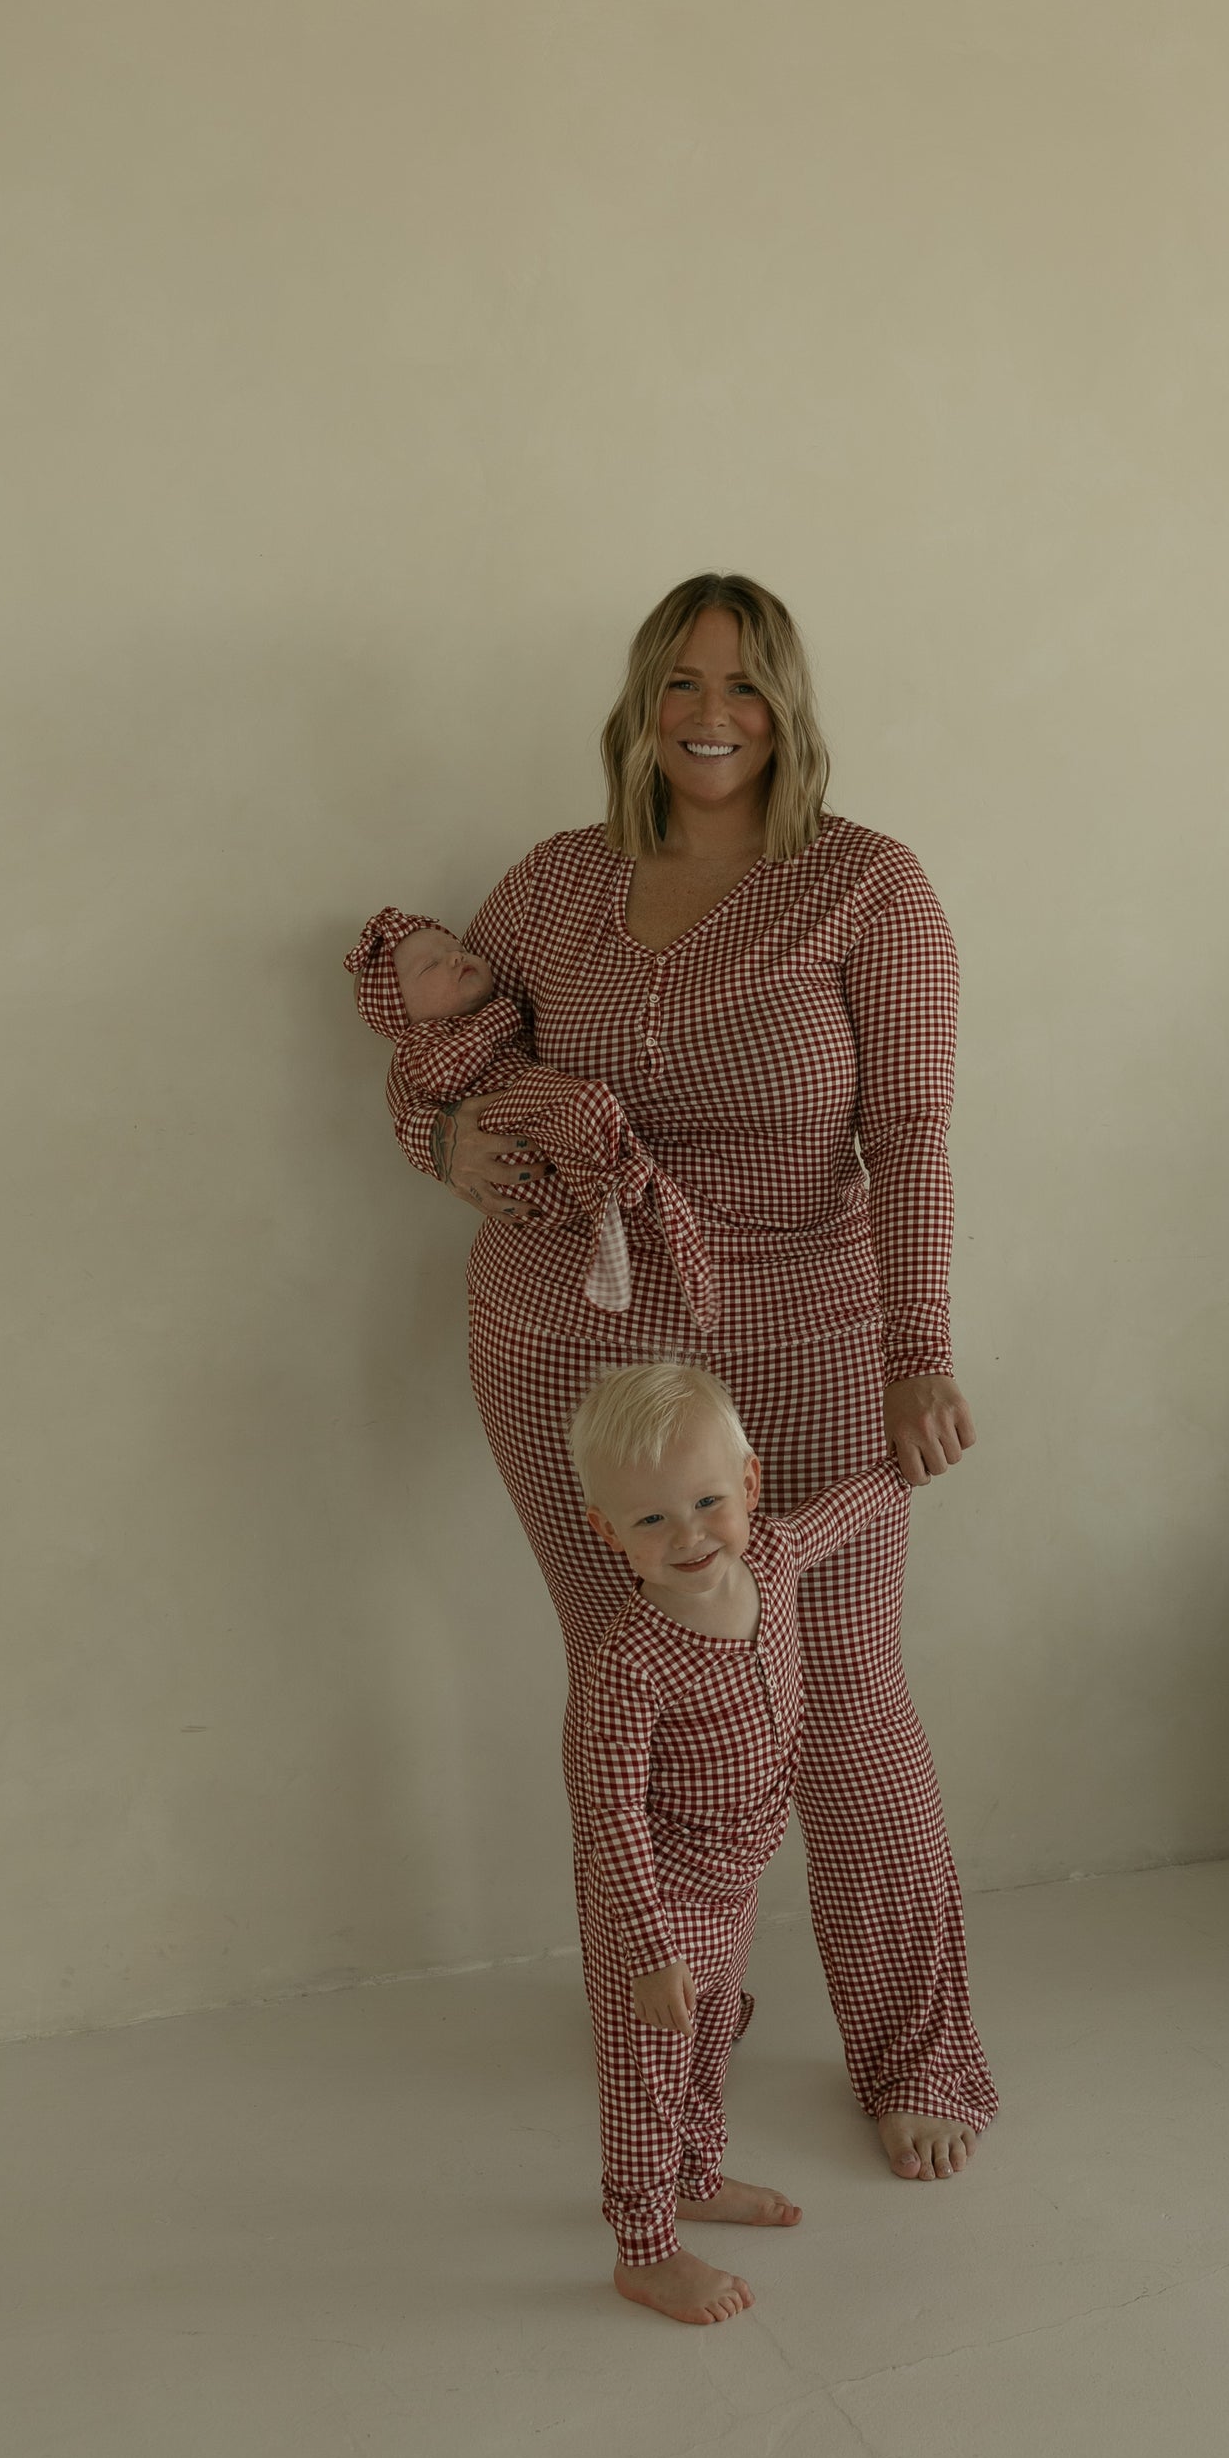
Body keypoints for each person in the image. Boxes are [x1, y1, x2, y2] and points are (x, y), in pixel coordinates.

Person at [371, 571, 995, 2179]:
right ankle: (674, 2015)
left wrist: (917, 1349)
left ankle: (915, 2047)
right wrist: (442, 1140)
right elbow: (448, 1057)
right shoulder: (557, 881)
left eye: (743, 683)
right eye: (678, 682)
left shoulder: (866, 888)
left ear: (788, 704)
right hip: (560, 1336)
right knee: (630, 1698)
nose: (710, 713)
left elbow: (910, 1137)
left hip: (794, 1338)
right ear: (640, 703)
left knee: (841, 1695)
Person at [567, 1362, 907, 2326]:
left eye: (708, 1501)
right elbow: (611, 1818)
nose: (688, 1536)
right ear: (607, 1531)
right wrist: (647, 1948)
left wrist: (909, 1463)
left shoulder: (774, 1558)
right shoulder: (628, 1664)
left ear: (749, 1487)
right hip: (660, 1907)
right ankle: (643, 2246)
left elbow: (847, 1511)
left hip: (734, 1885)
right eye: (650, 1520)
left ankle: (697, 2174)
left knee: (712, 2045)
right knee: (647, 2076)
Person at [343, 910, 713, 1325]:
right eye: (431, 964)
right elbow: (443, 1076)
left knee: (575, 1107)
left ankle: (609, 1203)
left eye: (458, 949)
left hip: (540, 1169)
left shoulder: (480, 1023)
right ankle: (621, 1180)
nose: (453, 957)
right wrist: (497, 1020)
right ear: (399, 1012)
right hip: (505, 1142)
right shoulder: (421, 1041)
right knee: (582, 1101)